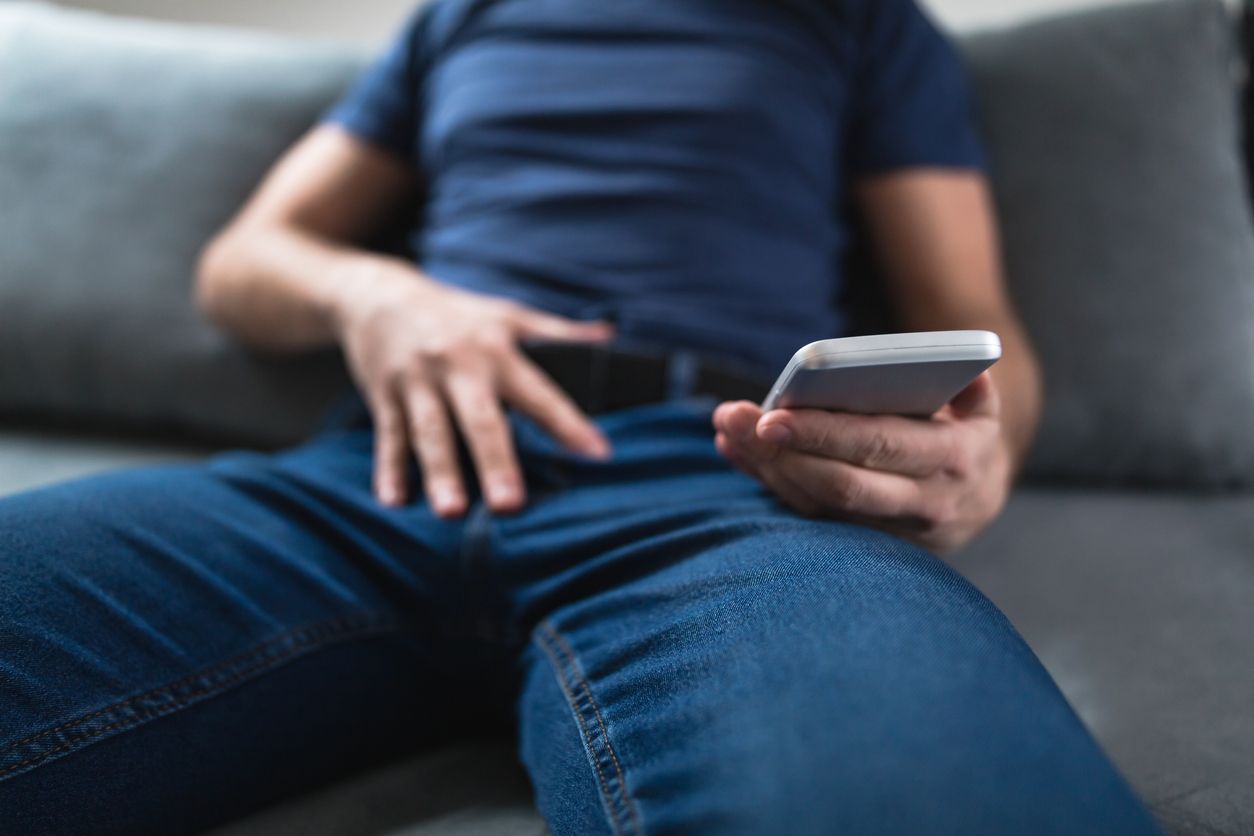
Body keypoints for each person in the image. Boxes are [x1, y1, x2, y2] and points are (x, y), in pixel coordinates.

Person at [0, 0, 1162, 833]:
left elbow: (973, 321)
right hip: (376, 475)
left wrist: (985, 452)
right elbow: (241, 264)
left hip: (717, 493)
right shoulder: (462, 18)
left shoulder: (861, 24)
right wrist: (376, 290)